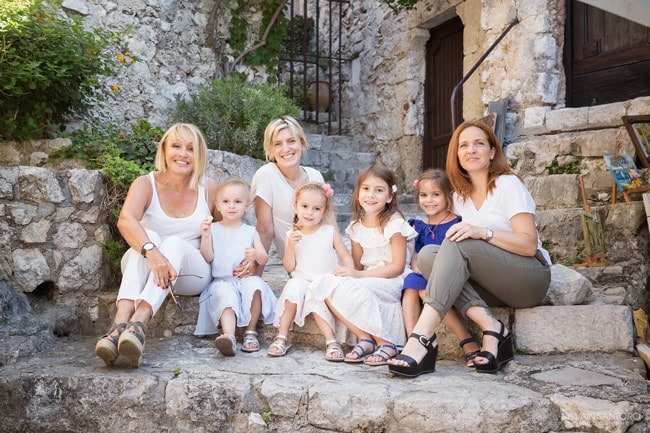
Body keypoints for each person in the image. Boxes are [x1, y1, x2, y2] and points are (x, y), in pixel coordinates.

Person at [387, 120, 551, 377]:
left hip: (529, 278)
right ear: (457, 155)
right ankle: (492, 326)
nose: (471, 150)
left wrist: (482, 232)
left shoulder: (508, 184)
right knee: (430, 254)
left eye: (479, 144)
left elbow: (529, 244)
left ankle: (420, 338)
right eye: (464, 145)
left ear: (492, 152)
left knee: (457, 243)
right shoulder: (459, 197)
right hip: (492, 286)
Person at [95, 123, 221, 368]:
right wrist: (152, 252)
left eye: (191, 149)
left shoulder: (210, 188)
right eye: (176, 146)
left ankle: (140, 321)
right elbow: (126, 220)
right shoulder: (145, 183)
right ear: (164, 150)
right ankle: (120, 325)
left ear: (199, 155)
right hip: (146, 264)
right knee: (148, 235)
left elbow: (228, 226)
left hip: (190, 272)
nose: (183, 154)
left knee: (173, 242)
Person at [308, 164, 417, 366]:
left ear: (390, 196)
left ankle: (386, 343)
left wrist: (356, 277)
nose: (371, 195)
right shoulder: (356, 227)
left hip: (392, 279)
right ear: (358, 192)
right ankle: (365, 337)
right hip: (368, 277)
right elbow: (357, 266)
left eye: (379, 190)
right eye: (366, 189)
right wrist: (348, 274)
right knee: (322, 285)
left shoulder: (394, 222)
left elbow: (398, 267)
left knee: (356, 285)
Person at [267, 182, 354, 361]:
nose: (309, 212)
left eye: (316, 208)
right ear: (295, 206)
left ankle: (331, 341)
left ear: (324, 211)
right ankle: (282, 336)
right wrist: (290, 246)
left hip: (323, 281)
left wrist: (348, 270)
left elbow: (345, 255)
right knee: (293, 288)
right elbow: (290, 267)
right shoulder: (292, 234)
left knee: (318, 295)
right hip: (301, 279)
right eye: (305, 206)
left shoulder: (329, 232)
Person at [402, 168, 481, 367]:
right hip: (423, 276)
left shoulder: (457, 223)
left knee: (423, 288)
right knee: (412, 283)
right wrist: (414, 264)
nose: (429, 200)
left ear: (448, 196)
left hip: (448, 278)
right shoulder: (417, 227)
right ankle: (413, 339)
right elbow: (413, 254)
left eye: (436, 195)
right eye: (424, 195)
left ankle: (466, 340)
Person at [195, 178, 277, 356]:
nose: (231, 206)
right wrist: (206, 236)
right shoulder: (214, 229)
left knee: (255, 285)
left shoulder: (250, 231)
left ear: (247, 206)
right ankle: (229, 336)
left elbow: (264, 258)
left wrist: (255, 255)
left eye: (237, 202)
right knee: (225, 295)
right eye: (226, 202)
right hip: (222, 281)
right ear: (217, 205)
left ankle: (250, 331)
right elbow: (208, 256)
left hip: (243, 280)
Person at [251, 115, 325, 265]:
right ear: (271, 151)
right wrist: (254, 276)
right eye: (278, 144)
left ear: (302, 144)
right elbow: (265, 231)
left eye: (291, 141)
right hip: (297, 262)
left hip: (325, 255)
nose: (286, 149)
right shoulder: (267, 175)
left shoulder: (315, 176)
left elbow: (329, 224)